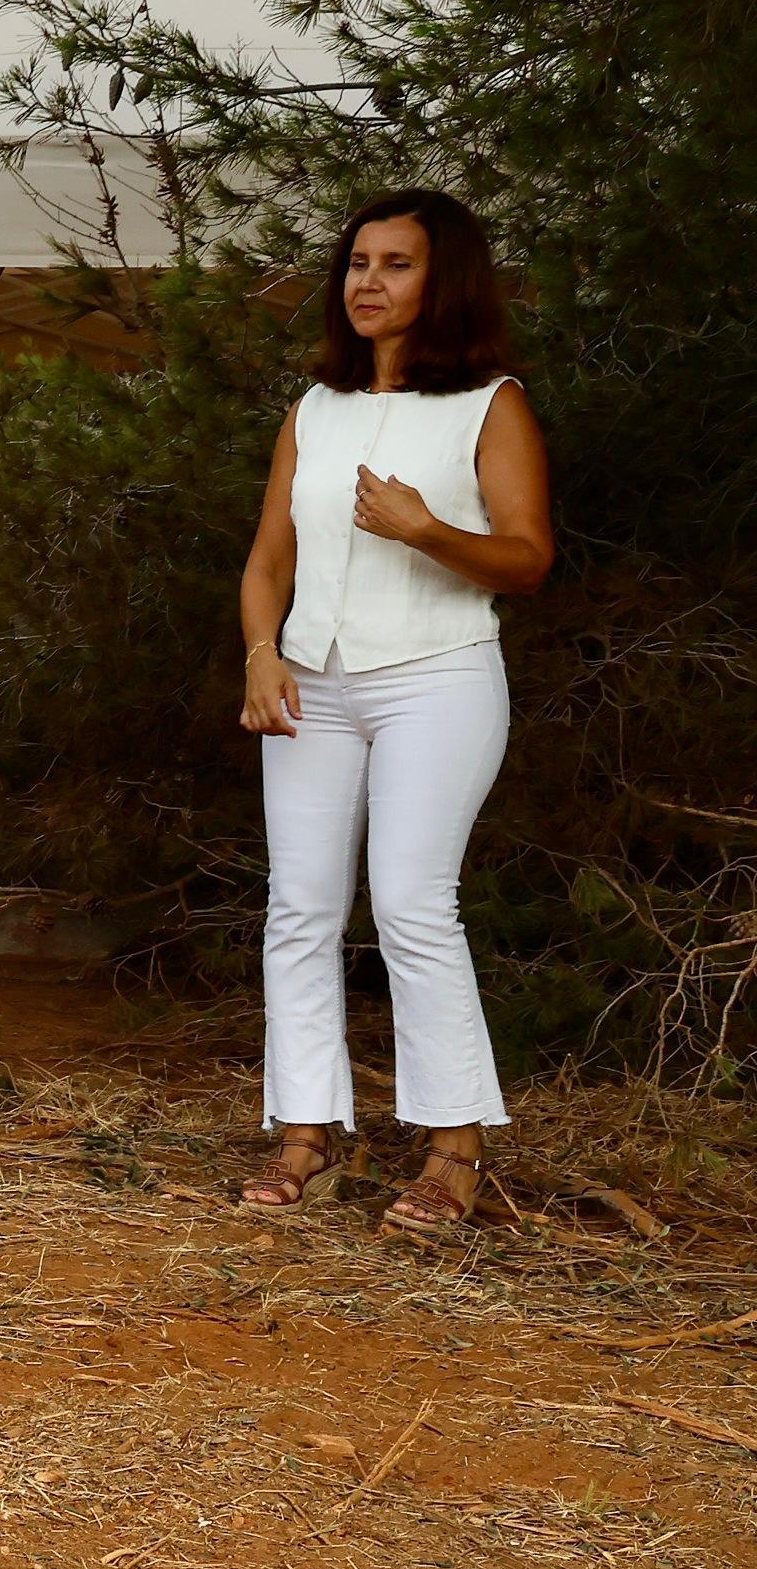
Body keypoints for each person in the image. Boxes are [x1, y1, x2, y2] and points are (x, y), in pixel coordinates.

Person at [235, 189, 554, 1233]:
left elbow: (527, 556)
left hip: (439, 675)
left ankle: (453, 1151)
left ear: (443, 278)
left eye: (396, 264)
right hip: (313, 683)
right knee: (301, 907)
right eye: (357, 262)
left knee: (413, 903)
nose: (366, 282)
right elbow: (270, 556)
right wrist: (258, 653)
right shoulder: (314, 408)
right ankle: (305, 1133)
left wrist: (424, 530)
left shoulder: (489, 403)